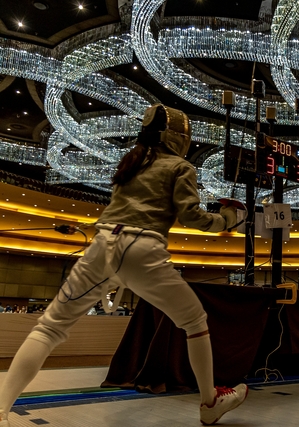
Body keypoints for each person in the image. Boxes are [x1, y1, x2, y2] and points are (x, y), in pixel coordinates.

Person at [0, 104, 247, 427]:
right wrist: (229, 219)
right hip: (141, 249)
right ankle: (209, 402)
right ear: (176, 138)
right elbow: (191, 217)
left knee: (49, 328)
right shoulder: (179, 166)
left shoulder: (131, 163)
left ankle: (1, 410)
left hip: (102, 246)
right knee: (195, 322)